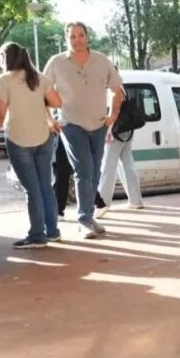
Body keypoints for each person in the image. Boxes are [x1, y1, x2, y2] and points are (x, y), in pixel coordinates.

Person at [42, 22, 122, 239]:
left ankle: (89, 215)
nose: (77, 40)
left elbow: (117, 89)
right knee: (84, 169)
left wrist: (113, 115)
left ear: (87, 37)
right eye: (72, 36)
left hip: (98, 124)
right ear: (66, 39)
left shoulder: (102, 60)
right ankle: (84, 220)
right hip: (71, 124)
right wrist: (49, 119)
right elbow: (42, 91)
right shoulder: (56, 62)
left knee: (95, 171)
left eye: (80, 35)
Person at [0, 43, 64, 249]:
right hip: (44, 137)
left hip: (18, 139)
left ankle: (37, 235)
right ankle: (53, 231)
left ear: (5, 58)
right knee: (45, 186)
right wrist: (38, 100)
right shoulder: (40, 78)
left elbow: (0, 113)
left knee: (32, 189)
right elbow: (57, 102)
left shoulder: (4, 80)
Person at [96, 85, 144, 213]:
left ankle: (103, 203)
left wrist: (108, 131)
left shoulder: (112, 89)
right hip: (127, 130)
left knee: (108, 167)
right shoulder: (121, 87)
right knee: (128, 165)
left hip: (115, 132)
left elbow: (113, 112)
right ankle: (136, 200)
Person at [53, 138, 107, 217]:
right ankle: (99, 203)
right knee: (75, 172)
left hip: (66, 136)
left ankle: (58, 210)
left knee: (63, 173)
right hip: (68, 136)